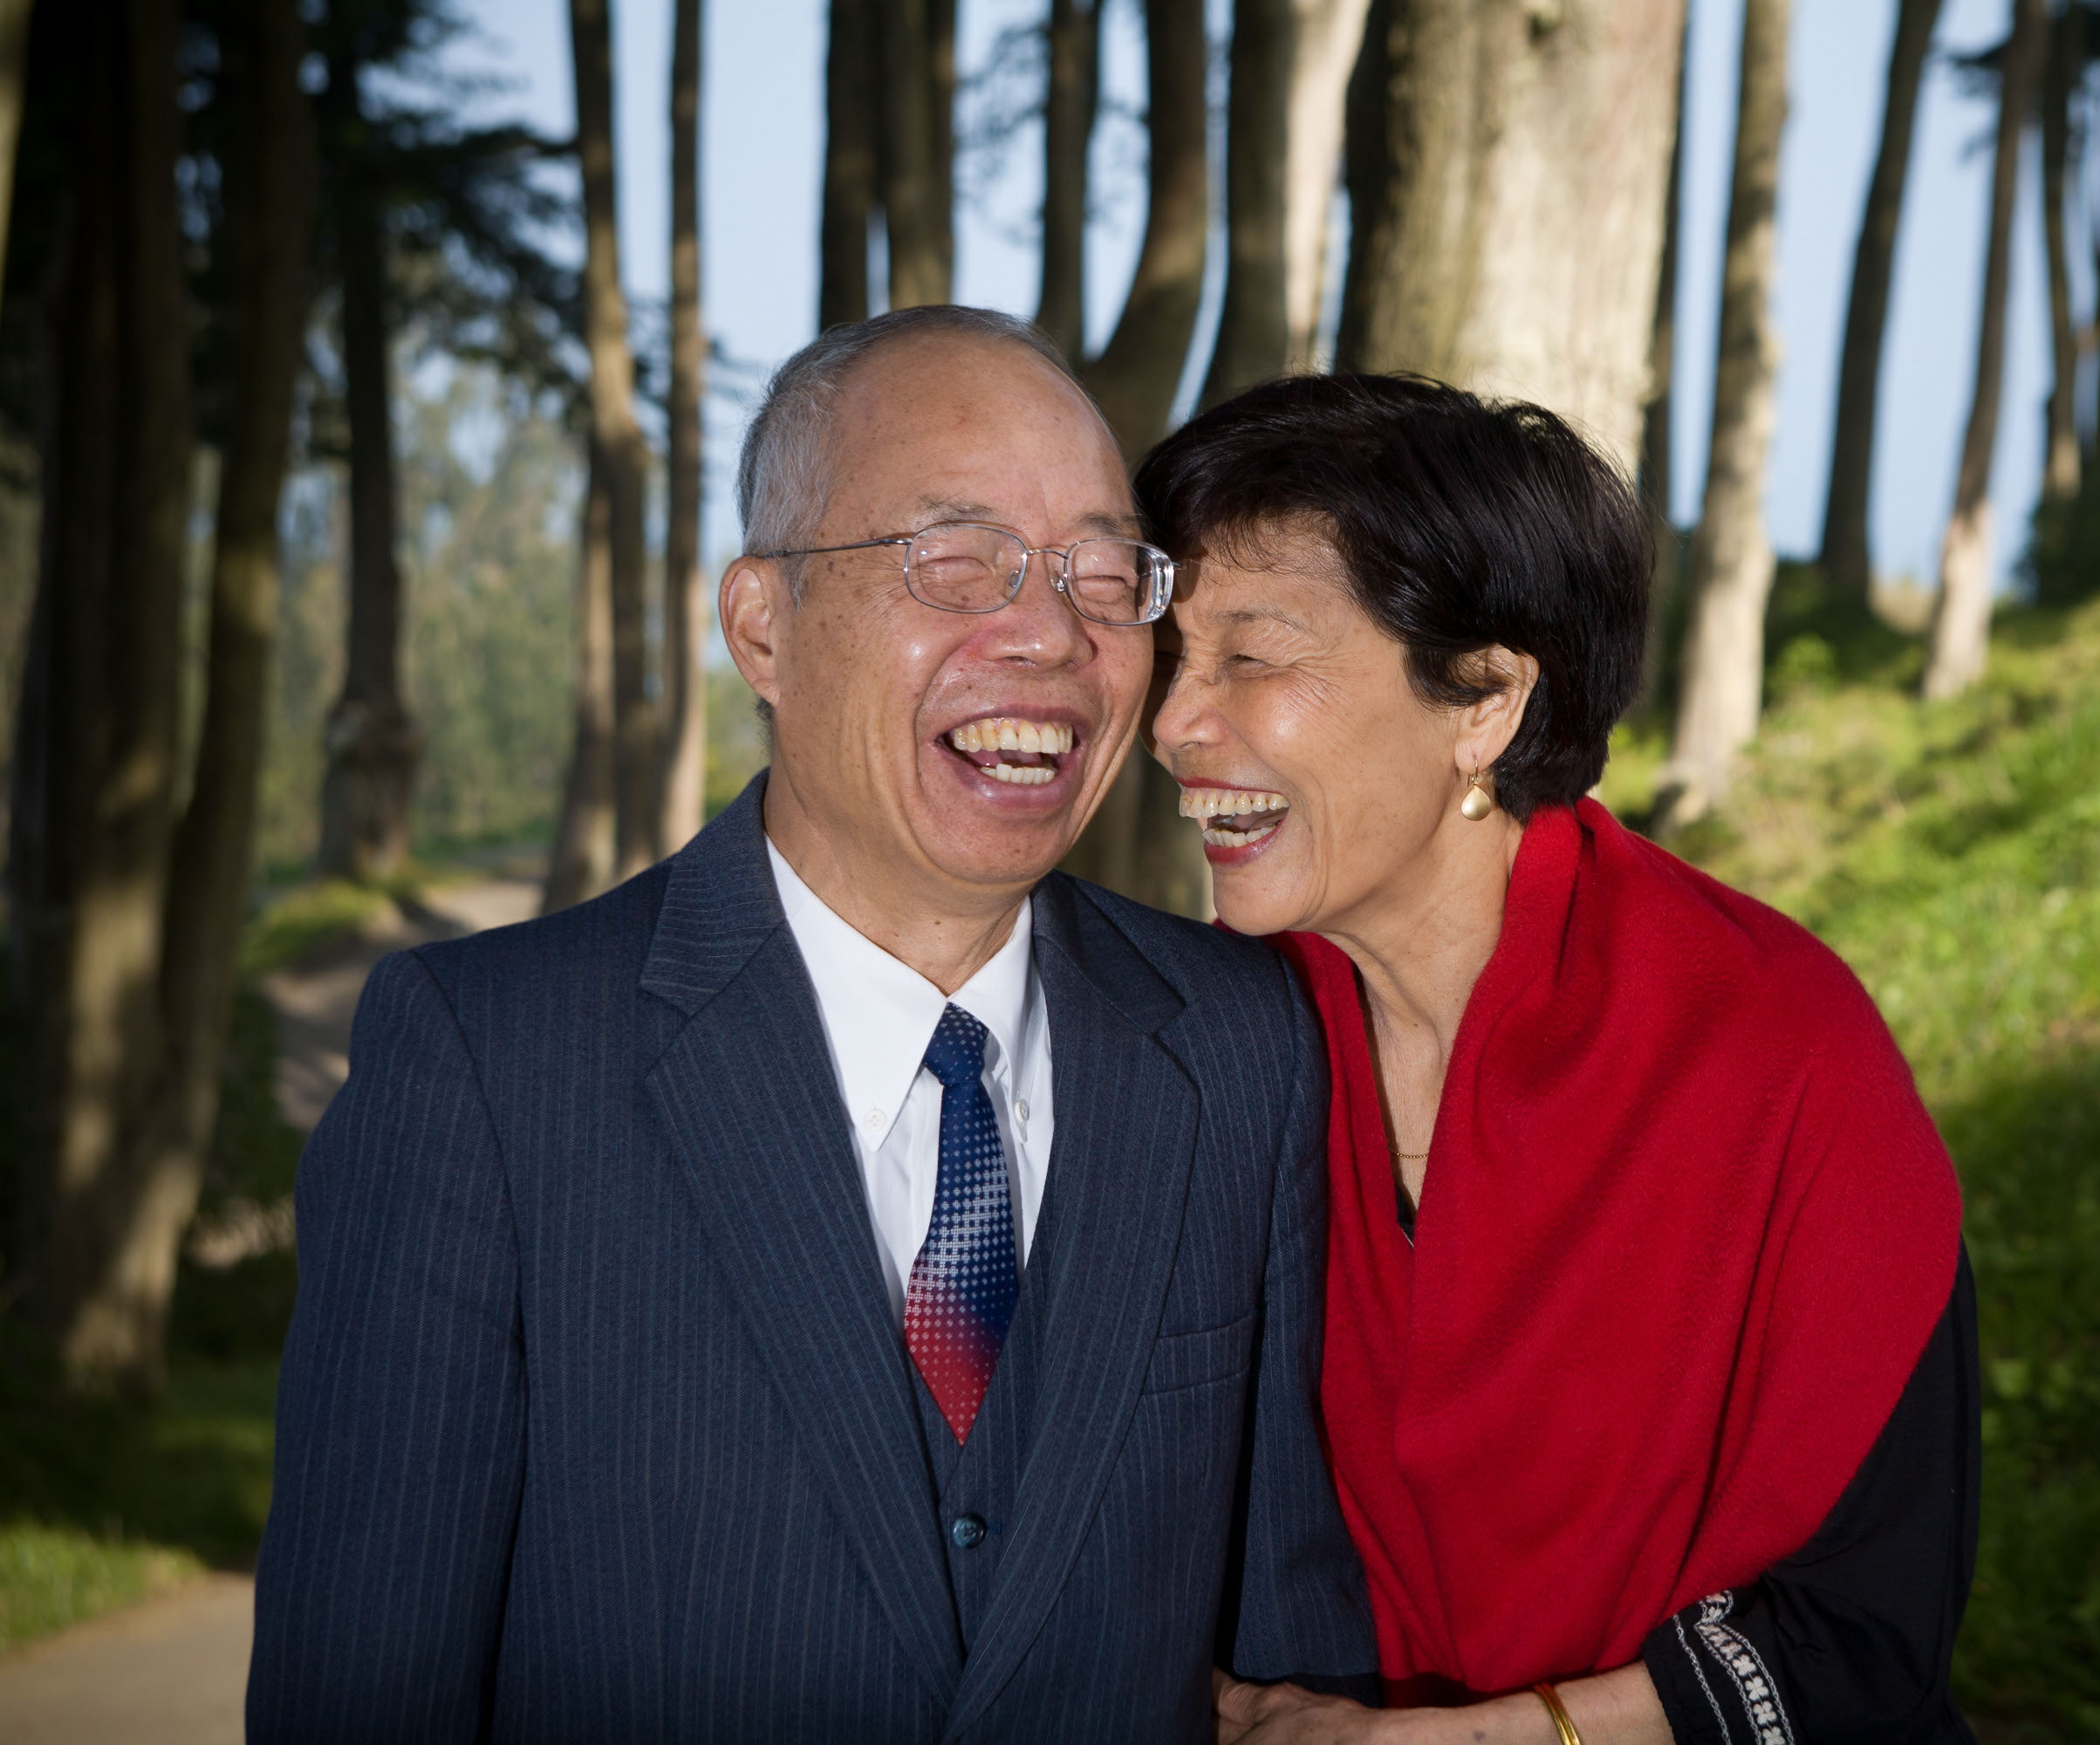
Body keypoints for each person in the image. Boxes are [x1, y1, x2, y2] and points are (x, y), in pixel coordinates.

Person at [248, 308, 1375, 1742]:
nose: (1052, 633)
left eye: (1103, 574)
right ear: (761, 628)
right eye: (954, 560)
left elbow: (1293, 1671)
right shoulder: (487, 1067)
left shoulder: (1240, 1044)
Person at [1142, 373, 1979, 1745]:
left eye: (1253, 657)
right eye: (1174, 656)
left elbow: (1862, 1639)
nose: (1174, 723)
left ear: (1484, 702)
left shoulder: (1774, 1048)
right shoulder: (1208, 1044)